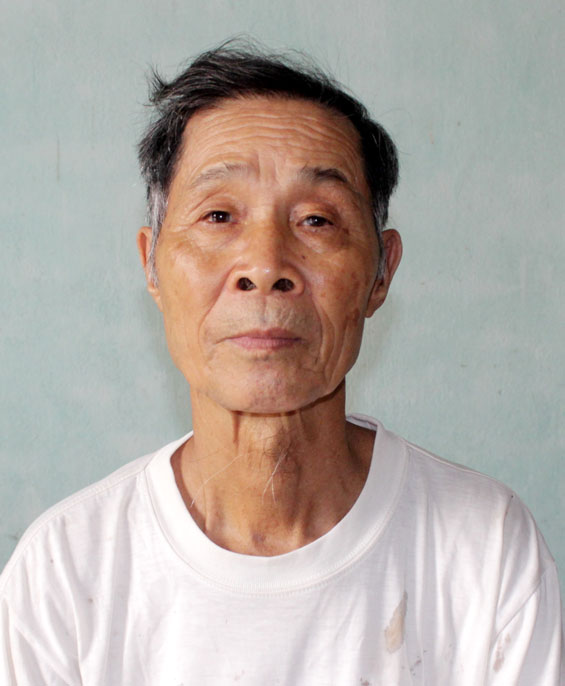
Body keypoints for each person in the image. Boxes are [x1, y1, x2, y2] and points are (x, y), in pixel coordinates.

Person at [1, 42, 562, 685]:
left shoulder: (485, 551)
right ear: (151, 265)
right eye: (218, 215)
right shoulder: (63, 574)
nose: (266, 266)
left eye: (316, 220)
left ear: (381, 272)